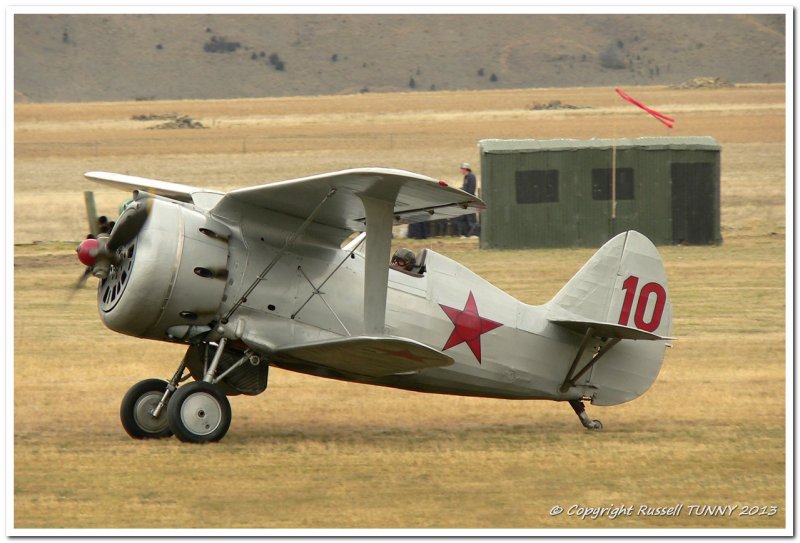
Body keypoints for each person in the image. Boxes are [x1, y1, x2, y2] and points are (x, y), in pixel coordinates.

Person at [458, 162, 479, 238]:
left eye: (462, 169)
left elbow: (470, 189)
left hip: (470, 200)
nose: (461, 171)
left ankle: (474, 234)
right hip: (465, 200)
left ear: (466, 169)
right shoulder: (466, 177)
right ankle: (466, 234)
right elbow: (465, 188)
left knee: (471, 218)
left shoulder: (471, 177)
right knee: (465, 217)